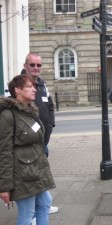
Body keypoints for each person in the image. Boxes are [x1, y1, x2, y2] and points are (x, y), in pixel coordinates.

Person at [0, 75, 56, 225]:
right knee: (27, 213)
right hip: (22, 174)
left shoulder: (31, 111)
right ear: (17, 90)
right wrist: (4, 187)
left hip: (36, 170)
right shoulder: (8, 115)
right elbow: (3, 152)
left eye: (34, 86)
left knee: (45, 203)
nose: (34, 89)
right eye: (29, 86)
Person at [23, 52, 58, 214]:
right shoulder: (21, 84)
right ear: (25, 66)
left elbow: (50, 105)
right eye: (32, 65)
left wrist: (51, 123)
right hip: (29, 142)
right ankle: (36, 211)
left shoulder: (42, 84)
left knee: (41, 173)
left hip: (43, 140)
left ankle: (43, 205)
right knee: (34, 175)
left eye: (39, 65)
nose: (36, 68)